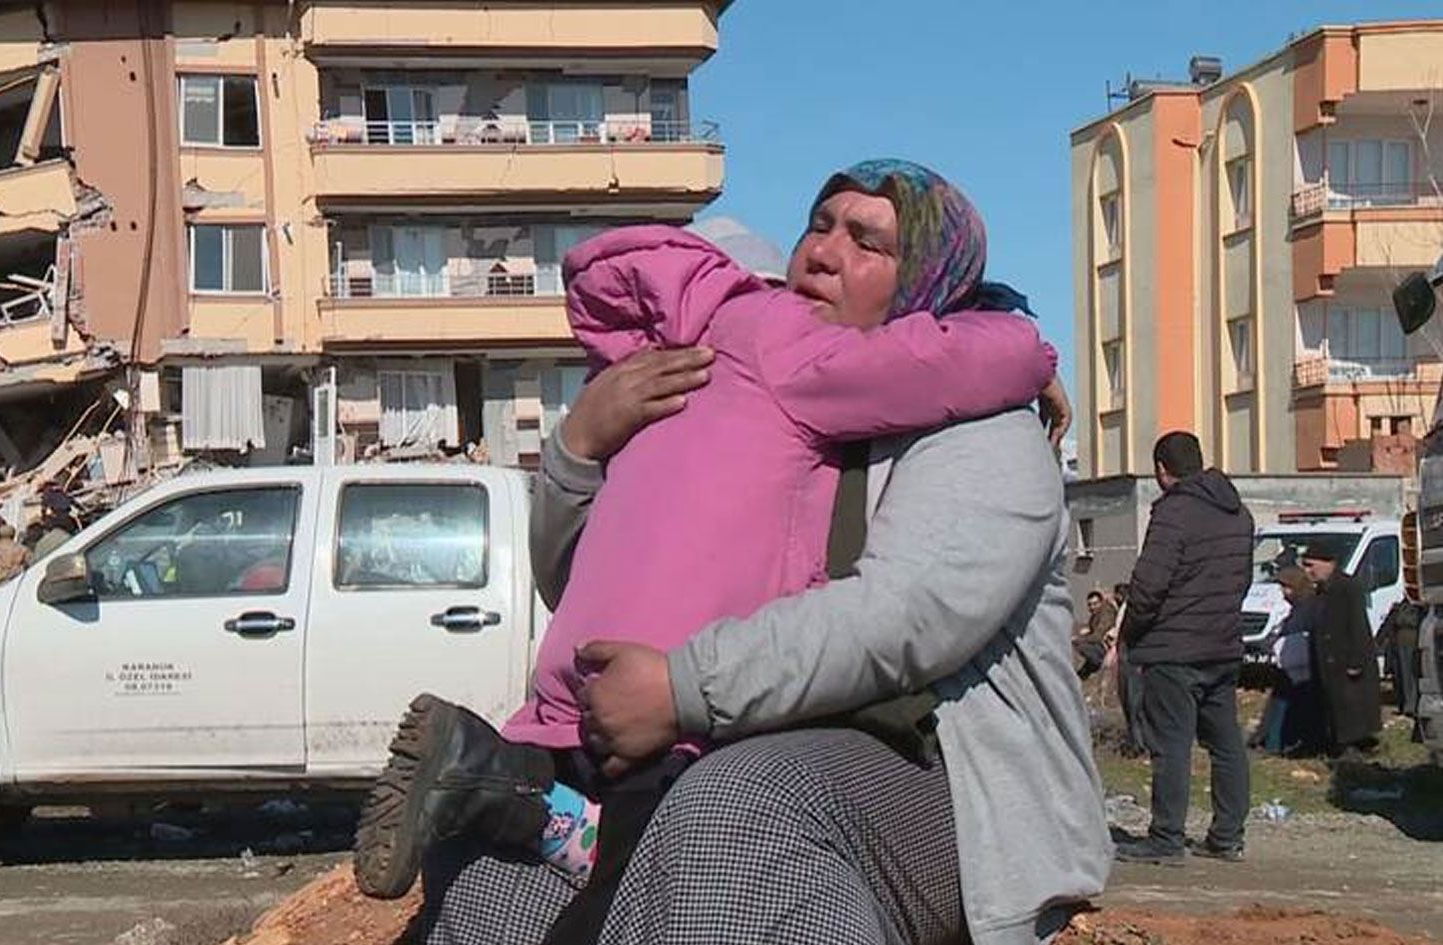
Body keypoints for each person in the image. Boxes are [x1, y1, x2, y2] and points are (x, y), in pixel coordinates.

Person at [419, 160, 1107, 945]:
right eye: (819, 226)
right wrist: (580, 447)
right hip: (715, 737)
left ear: (927, 279)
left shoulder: (982, 433)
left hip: (936, 775)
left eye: (867, 242)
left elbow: (905, 617)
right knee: (492, 889)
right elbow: (584, 583)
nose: (822, 253)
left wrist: (681, 688)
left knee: (740, 807)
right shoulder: (740, 388)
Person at [1116, 431, 1253, 866]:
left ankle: (1167, 838)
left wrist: (1131, 633)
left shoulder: (1173, 514)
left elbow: (1148, 586)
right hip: (1222, 644)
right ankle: (1227, 836)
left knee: (1172, 744)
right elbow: (1242, 579)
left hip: (1173, 649)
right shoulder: (1238, 513)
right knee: (1227, 743)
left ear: (1161, 469)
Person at [1300, 539, 1383, 757]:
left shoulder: (1347, 587)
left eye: (1311, 565)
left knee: (1351, 706)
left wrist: (1355, 660)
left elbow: (1358, 625)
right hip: (1329, 659)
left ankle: (1354, 747)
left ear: (1328, 563)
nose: (1308, 571)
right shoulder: (1321, 590)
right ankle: (1339, 744)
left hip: (1346, 658)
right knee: (1335, 706)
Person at [1248, 567, 1322, 755]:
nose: (1283, 592)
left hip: (1300, 667)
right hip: (1290, 665)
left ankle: (1277, 743)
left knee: (1288, 706)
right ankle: (1271, 741)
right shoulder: (1299, 606)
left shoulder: (1308, 606)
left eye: (1286, 587)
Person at [1102, 581, 1145, 755]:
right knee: (1128, 700)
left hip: (1133, 656)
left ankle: (1139, 744)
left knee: (1135, 702)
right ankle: (1134, 741)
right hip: (1125, 655)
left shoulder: (1135, 607)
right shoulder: (1124, 608)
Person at [1074, 589, 1116, 679]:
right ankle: (1083, 673)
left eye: (1095, 604)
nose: (1092, 607)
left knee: (1081, 644)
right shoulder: (1095, 615)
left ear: (1101, 603)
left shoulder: (1106, 613)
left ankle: (1099, 665)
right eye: (1090, 605)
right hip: (1102, 645)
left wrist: (1077, 639)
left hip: (1109, 647)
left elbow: (1098, 637)